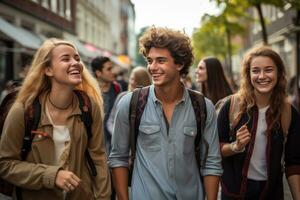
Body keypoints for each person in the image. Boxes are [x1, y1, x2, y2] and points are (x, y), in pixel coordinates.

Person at [108, 26, 222, 200]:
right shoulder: (130, 103)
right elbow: (118, 158)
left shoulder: (203, 107)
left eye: (160, 60)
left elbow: (212, 162)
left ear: (179, 63)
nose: (152, 67)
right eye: (149, 60)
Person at [0, 38, 111, 199]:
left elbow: (99, 159)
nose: (75, 63)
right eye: (66, 59)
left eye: (77, 58)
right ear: (48, 70)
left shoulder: (88, 106)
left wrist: (103, 198)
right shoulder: (23, 109)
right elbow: (5, 164)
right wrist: (52, 175)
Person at [217, 46, 300, 199]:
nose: (262, 76)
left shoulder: (289, 112)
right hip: (234, 194)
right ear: (248, 75)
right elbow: (216, 149)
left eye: (268, 70)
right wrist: (236, 146)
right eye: (255, 71)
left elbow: (293, 162)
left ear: (279, 73)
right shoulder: (230, 106)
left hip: (271, 194)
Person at [107, 66, 152, 134]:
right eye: (131, 79)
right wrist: (116, 134)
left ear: (142, 81)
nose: (132, 82)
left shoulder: (150, 100)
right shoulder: (122, 96)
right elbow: (111, 120)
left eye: (135, 80)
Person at [91, 56, 122, 156]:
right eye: (109, 69)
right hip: (94, 140)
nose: (113, 72)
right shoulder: (89, 90)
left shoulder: (117, 88)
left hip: (112, 139)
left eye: (112, 68)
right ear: (98, 73)